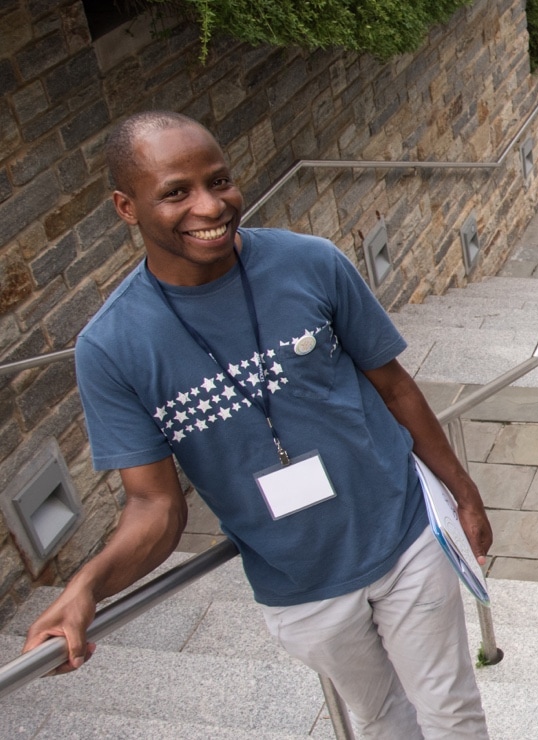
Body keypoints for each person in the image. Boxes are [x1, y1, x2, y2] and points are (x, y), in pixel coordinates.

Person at [21, 111, 492, 739]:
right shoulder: (111, 347)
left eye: (219, 181)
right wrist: (87, 588)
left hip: (404, 537)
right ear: (126, 207)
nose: (209, 205)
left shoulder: (310, 263)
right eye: (176, 192)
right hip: (300, 588)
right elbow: (156, 508)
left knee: (451, 709)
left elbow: (394, 384)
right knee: (380, 718)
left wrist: (462, 491)